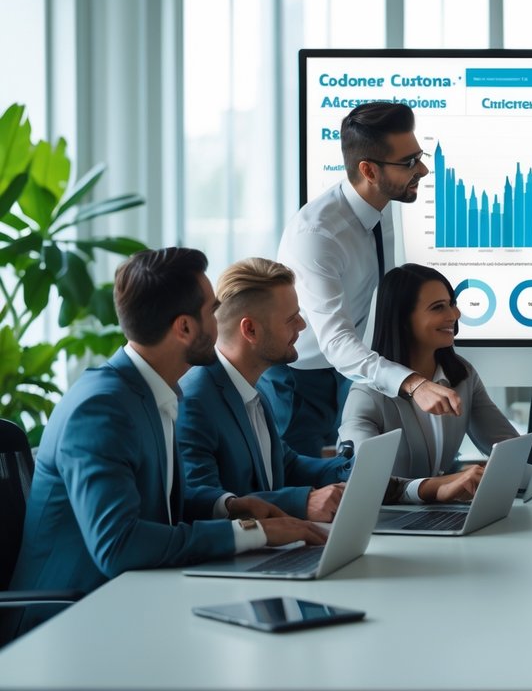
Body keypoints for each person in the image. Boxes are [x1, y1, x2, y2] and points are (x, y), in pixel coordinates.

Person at [9, 248, 325, 609]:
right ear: (185, 328)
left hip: (132, 600)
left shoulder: (150, 391)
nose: (220, 319)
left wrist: (230, 507)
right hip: (65, 619)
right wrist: (250, 533)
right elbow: (119, 544)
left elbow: (155, 505)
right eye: (212, 310)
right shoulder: (100, 408)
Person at [269, 101, 462, 456]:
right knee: (310, 495)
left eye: (418, 155)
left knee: (364, 479)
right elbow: (336, 342)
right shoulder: (318, 235)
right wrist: (412, 383)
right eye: (408, 163)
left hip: (354, 368)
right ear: (369, 171)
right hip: (301, 379)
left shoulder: (383, 203)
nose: (422, 169)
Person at [178, 258, 351, 523]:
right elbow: (203, 500)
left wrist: (359, 469)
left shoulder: (251, 386)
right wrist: (302, 502)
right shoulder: (195, 400)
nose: (302, 326)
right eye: (291, 319)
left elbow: (287, 465)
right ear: (250, 329)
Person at [338, 264, 518, 503]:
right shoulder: (366, 394)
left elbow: (508, 448)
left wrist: (521, 469)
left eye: (451, 303)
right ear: (402, 319)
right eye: (438, 308)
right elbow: (363, 480)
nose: (454, 315)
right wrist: (438, 486)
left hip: (438, 514)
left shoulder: (462, 375)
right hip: (387, 522)